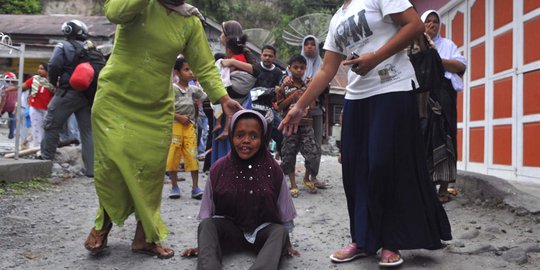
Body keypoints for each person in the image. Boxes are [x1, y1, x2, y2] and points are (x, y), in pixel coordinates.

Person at [279, 0, 452, 267]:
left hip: (393, 88)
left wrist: (376, 57)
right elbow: (327, 69)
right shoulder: (337, 18)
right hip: (356, 97)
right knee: (355, 167)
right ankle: (362, 240)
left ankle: (391, 241)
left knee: (384, 164)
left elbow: (415, 25)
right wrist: (299, 106)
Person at [84, 0, 241, 259]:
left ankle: (145, 236)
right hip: (116, 97)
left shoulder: (189, 21)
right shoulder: (141, 5)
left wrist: (222, 99)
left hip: (155, 107)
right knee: (112, 164)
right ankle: (103, 223)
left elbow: (202, 64)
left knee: (150, 172)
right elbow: (114, 12)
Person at [181, 109, 298, 269]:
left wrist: (285, 244)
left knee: (279, 231)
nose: (246, 141)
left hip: (263, 232)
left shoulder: (273, 169)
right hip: (230, 232)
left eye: (253, 136)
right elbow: (208, 211)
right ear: (231, 136)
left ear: (263, 138)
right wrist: (205, 246)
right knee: (207, 225)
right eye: (240, 135)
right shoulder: (218, 168)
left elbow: (284, 210)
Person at [421, 10, 467, 203]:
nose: (433, 25)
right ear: (422, 24)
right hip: (424, 99)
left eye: (436, 22)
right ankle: (426, 186)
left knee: (446, 138)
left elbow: (460, 66)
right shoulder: (416, 46)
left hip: (445, 98)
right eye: (428, 22)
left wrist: (437, 60)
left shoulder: (448, 45)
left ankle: (443, 188)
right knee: (425, 139)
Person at [41, 19, 94, 177]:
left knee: (51, 124)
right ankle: (91, 170)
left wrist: (53, 83)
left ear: (67, 31)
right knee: (87, 132)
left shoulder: (62, 46)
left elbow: (54, 65)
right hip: (86, 96)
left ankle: (45, 164)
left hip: (66, 93)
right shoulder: (89, 48)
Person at [210, 20, 258, 164]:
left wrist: (232, 63)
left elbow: (256, 70)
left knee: (237, 132)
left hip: (239, 98)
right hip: (226, 97)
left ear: (227, 34)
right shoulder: (225, 52)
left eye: (222, 32)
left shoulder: (242, 49)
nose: (220, 35)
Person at [276, 55, 321, 198]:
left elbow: (313, 105)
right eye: (296, 67)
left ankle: (307, 178)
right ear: (289, 68)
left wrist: (310, 90)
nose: (299, 70)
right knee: (289, 154)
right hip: (290, 126)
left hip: (306, 124)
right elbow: (279, 106)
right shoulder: (284, 85)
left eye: (302, 68)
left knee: (312, 154)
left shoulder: (308, 86)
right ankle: (293, 184)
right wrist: (293, 97)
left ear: (305, 69)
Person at [166, 57, 206, 200]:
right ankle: (174, 186)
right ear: (177, 72)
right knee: (173, 155)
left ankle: (195, 187)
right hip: (175, 126)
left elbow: (205, 96)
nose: (190, 72)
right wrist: (178, 117)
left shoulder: (193, 89)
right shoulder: (172, 89)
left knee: (192, 155)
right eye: (186, 69)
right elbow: (166, 109)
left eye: (191, 69)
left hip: (189, 126)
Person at [4, 63, 54, 147]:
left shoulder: (52, 81)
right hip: (34, 107)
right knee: (36, 128)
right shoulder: (34, 79)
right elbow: (23, 86)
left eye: (42, 69)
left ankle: (45, 147)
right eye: (39, 68)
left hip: (47, 109)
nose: (39, 70)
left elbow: (56, 93)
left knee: (46, 129)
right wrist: (11, 89)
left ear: (47, 71)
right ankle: (37, 148)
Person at [255, 45, 284, 160]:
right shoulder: (255, 68)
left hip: (269, 108)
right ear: (260, 55)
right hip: (253, 107)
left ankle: (282, 162)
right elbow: (251, 91)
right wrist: (271, 91)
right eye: (265, 55)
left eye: (270, 56)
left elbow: (280, 91)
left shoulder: (277, 72)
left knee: (281, 133)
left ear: (274, 57)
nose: (267, 58)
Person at [301, 35, 326, 148]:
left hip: (316, 108)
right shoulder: (296, 64)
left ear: (317, 47)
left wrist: (316, 84)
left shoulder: (324, 66)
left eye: (312, 44)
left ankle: (315, 165)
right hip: (298, 108)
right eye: (306, 44)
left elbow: (327, 86)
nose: (309, 47)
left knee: (316, 141)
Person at [0, 72, 18, 139]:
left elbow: (3, 100)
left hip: (5, 106)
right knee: (12, 120)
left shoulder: (5, 88)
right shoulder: (15, 88)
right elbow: (17, 100)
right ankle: (11, 134)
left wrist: (0, 109)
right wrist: (15, 108)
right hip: (12, 106)